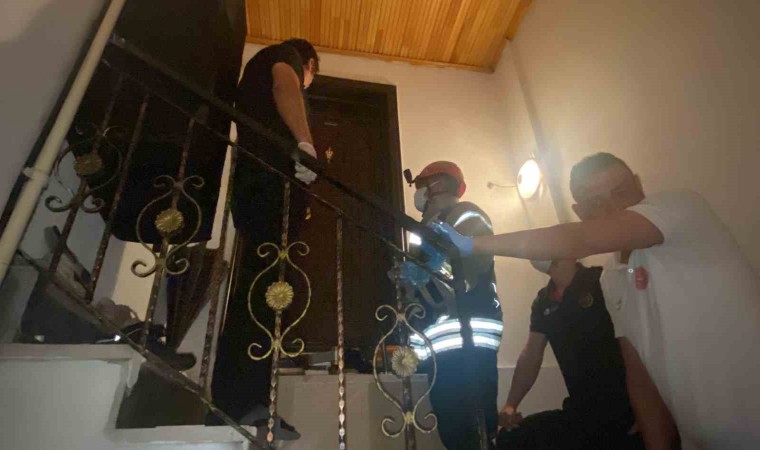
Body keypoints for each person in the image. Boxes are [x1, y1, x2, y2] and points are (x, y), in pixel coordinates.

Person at [434, 152, 760, 449]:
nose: (613, 209)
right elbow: (640, 378)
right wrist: (511, 404)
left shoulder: (681, 209)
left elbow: (580, 238)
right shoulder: (612, 278)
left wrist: (472, 244)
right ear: (580, 212)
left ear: (639, 185)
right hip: (698, 437)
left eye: (621, 192)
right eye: (594, 203)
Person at [210, 38, 320, 440]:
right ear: (309, 64)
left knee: (257, 289)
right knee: (268, 291)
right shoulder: (284, 56)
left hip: (256, 185)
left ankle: (238, 398)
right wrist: (305, 143)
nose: (307, 83)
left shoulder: (252, 73)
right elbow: (284, 84)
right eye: (311, 76)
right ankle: (242, 400)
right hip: (273, 185)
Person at [401, 161, 503, 450]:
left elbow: (463, 274)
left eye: (421, 184)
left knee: (475, 431)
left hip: (468, 336)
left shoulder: (466, 214)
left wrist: (419, 279)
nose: (418, 192)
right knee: (454, 434)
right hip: (440, 345)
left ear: (437, 184)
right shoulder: (424, 229)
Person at [496, 259, 643, 450]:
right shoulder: (543, 301)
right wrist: (511, 404)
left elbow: (641, 341)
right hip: (581, 413)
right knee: (511, 439)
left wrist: (646, 410)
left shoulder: (600, 280)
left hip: (625, 413)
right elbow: (531, 355)